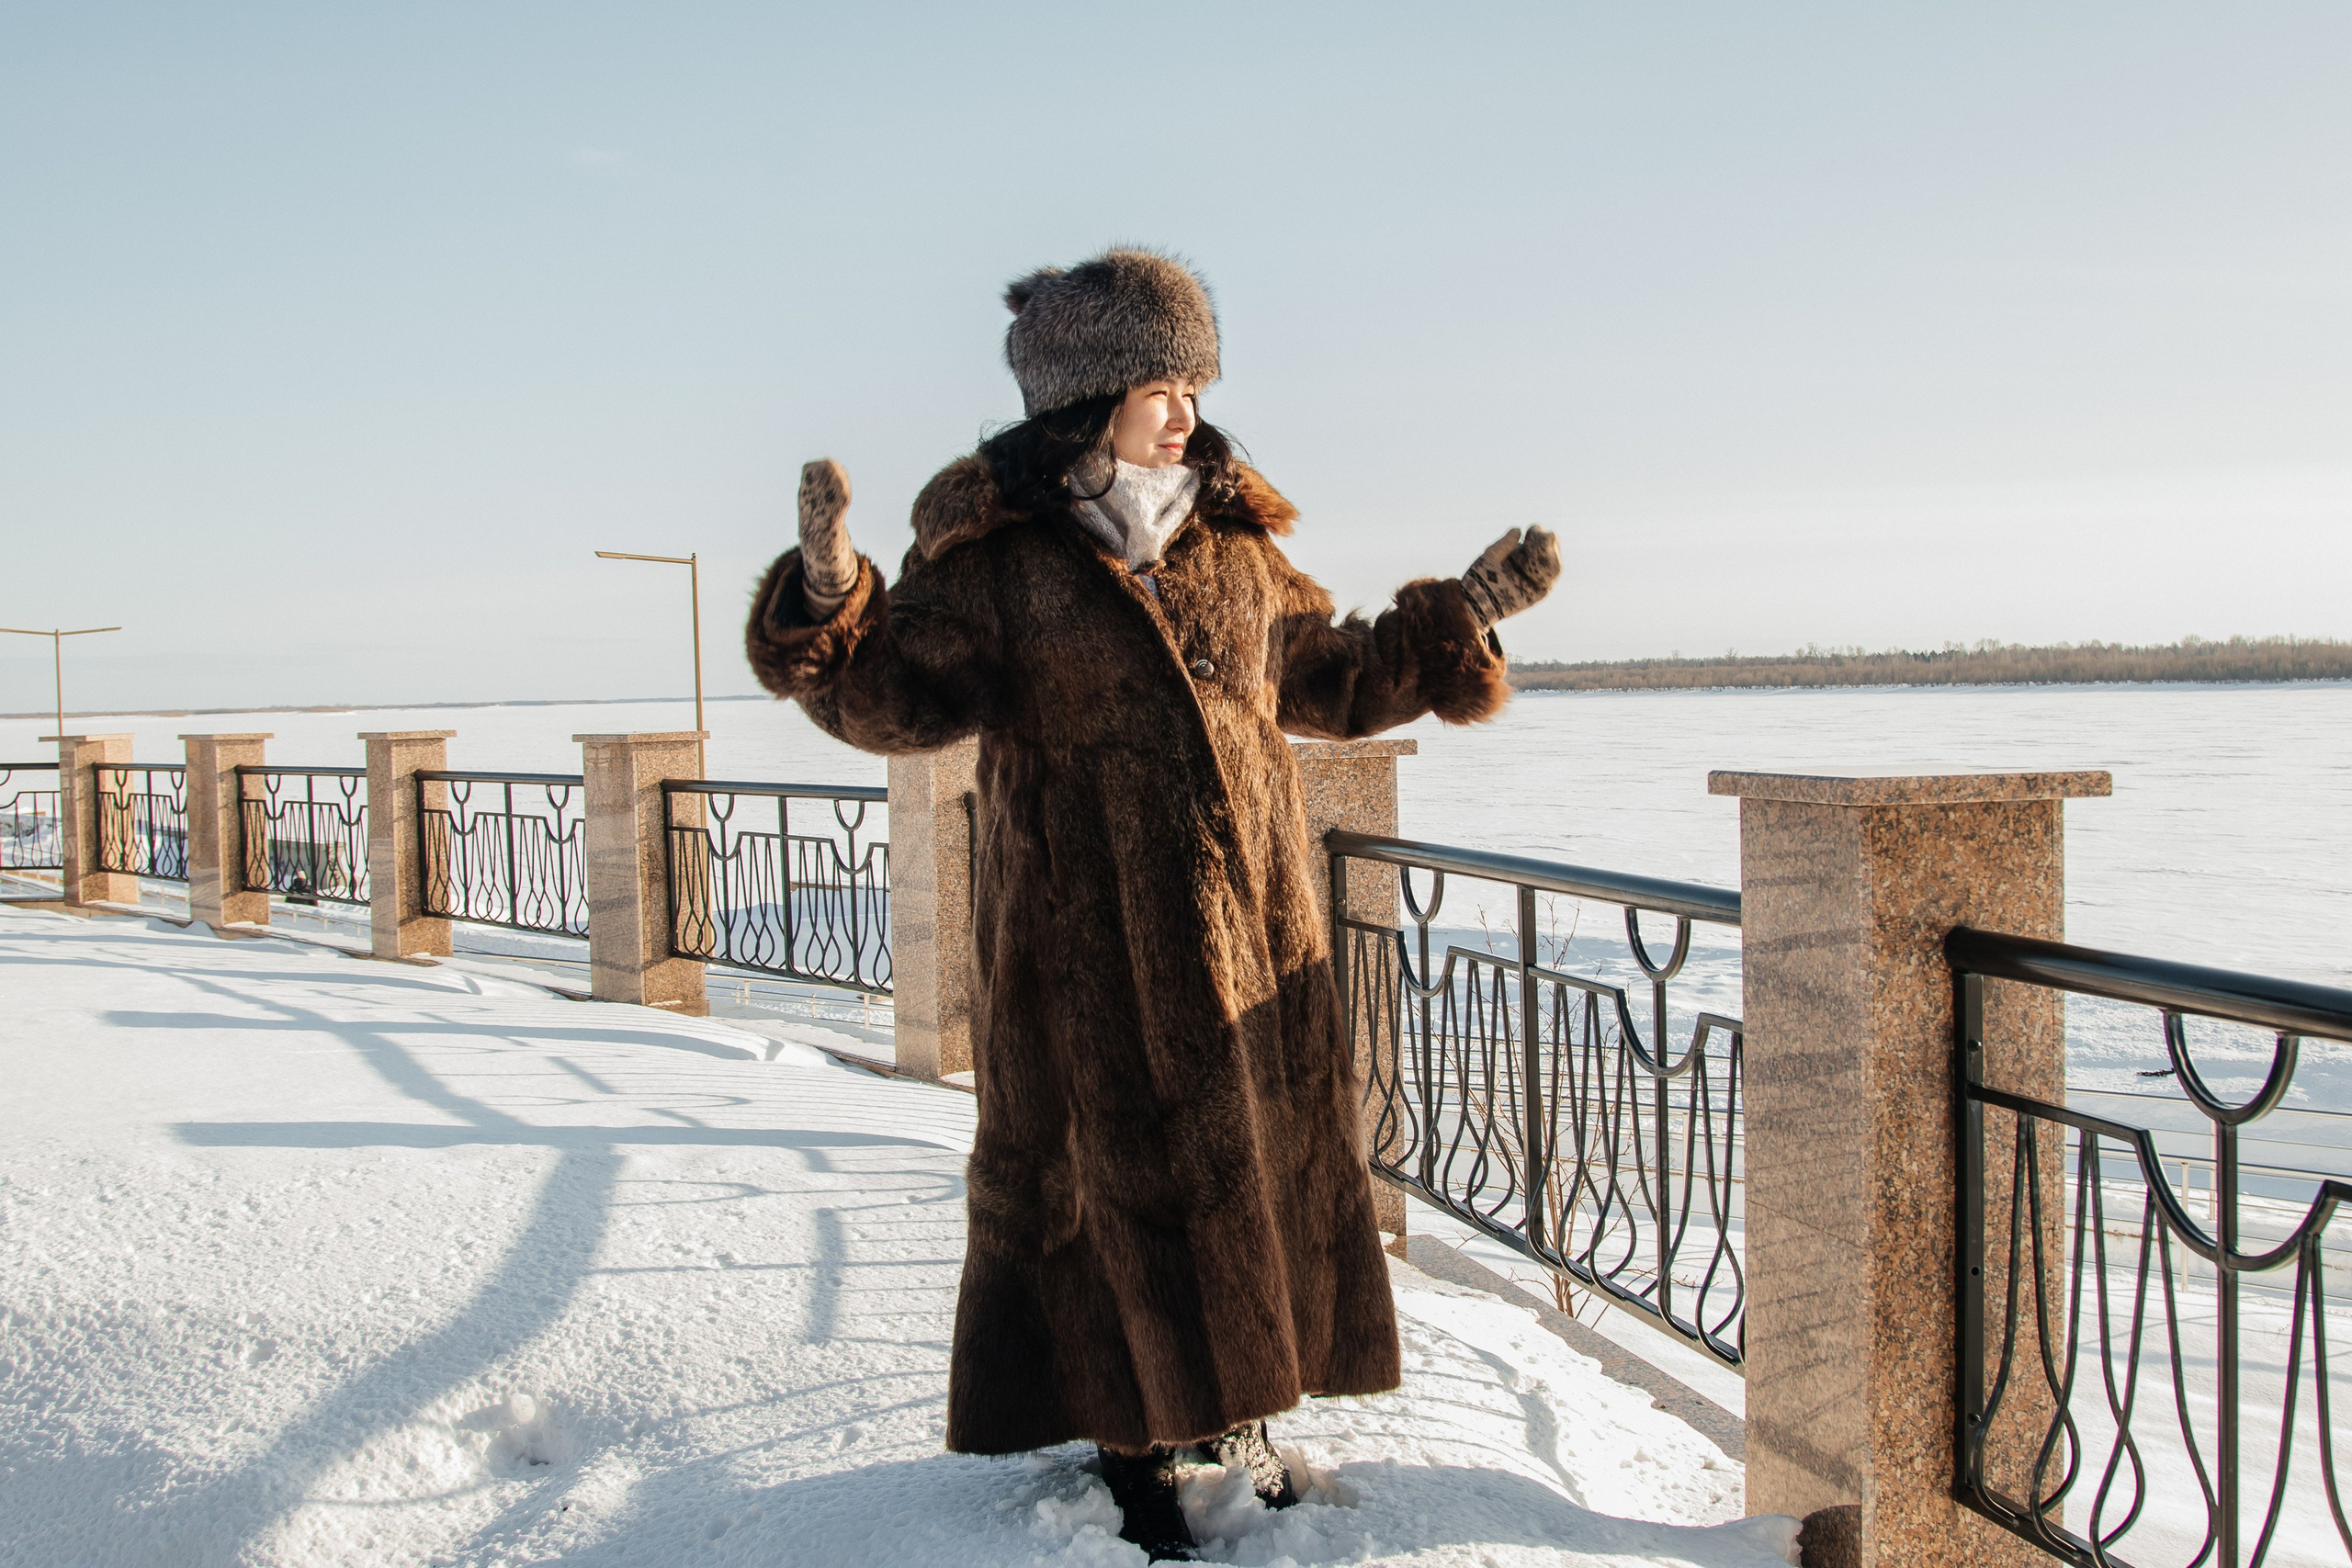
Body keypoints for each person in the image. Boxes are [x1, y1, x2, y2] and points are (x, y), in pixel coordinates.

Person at [745, 248, 1559, 1560]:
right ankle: (1135, 1444)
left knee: (1251, 1174)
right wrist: (836, 604)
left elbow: (1336, 679)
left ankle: (1232, 1417)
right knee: (1106, 1185)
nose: (1187, 406)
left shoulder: (1236, 547)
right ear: (1086, 398)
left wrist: (1457, 615)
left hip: (1248, 936)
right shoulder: (1000, 560)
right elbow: (898, 699)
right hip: (1087, 941)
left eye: (1194, 379)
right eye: (1160, 382)